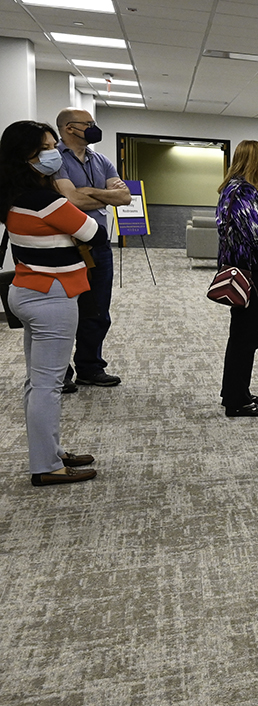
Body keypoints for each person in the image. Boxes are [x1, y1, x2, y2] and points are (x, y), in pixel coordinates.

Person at [1, 120, 101, 486]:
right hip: (52, 295)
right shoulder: (46, 201)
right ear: (26, 156)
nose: (53, 153)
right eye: (46, 147)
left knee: (37, 381)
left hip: (26, 290)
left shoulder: (13, 196)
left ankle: (50, 451)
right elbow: (95, 232)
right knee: (48, 385)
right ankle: (46, 466)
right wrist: (76, 194)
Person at [55, 108, 131, 390]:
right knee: (64, 311)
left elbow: (124, 196)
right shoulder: (54, 160)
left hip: (98, 244)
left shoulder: (102, 160)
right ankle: (60, 372)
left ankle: (90, 367)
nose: (93, 128)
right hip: (67, 245)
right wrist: (101, 196)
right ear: (69, 128)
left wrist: (89, 192)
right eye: (88, 124)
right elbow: (70, 200)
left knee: (97, 309)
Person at [216, 140, 258, 418]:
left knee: (243, 336)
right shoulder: (242, 191)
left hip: (249, 270)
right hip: (253, 272)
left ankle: (235, 390)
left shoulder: (240, 189)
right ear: (254, 161)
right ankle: (236, 401)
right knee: (245, 337)